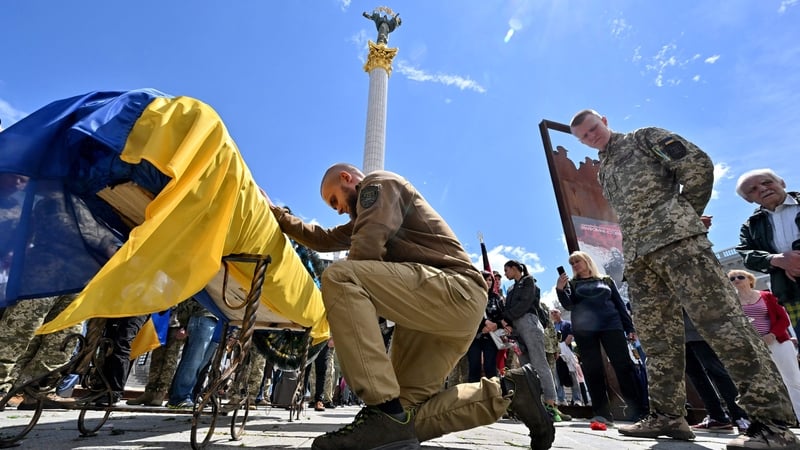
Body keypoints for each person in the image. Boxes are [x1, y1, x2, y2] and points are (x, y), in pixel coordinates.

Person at [267, 163, 554, 450]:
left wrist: (353, 311)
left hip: (453, 290)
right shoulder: (367, 214)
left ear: (347, 178)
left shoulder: (378, 185)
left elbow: (365, 251)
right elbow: (323, 238)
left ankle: (380, 407)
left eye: (334, 200)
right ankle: (511, 393)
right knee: (404, 418)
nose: (339, 209)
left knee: (340, 277)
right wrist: (278, 215)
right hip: (436, 310)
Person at [569, 109, 798, 449]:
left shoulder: (643, 138)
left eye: (593, 128)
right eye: (584, 137)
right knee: (657, 339)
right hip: (640, 258)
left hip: (679, 245)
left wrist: (682, 218)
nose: (592, 136)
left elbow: (698, 165)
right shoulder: (605, 171)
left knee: (722, 324)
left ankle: (773, 424)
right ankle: (668, 416)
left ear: (603, 119)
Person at [555, 251, 646, 425]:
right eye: (572, 263)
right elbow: (569, 305)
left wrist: (629, 328)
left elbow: (619, 305)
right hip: (584, 329)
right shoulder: (572, 284)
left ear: (587, 261)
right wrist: (560, 290)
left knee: (623, 366)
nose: (574, 265)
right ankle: (602, 412)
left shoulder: (606, 280)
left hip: (611, 325)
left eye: (577, 261)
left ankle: (638, 410)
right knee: (592, 369)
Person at [500, 260, 569, 423]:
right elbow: (507, 308)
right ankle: (534, 405)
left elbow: (525, 303)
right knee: (526, 367)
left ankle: (550, 404)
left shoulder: (529, 282)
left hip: (528, 322)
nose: (505, 273)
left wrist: (506, 317)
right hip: (515, 329)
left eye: (506, 270)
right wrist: (506, 323)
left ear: (515, 268)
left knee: (540, 363)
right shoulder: (510, 289)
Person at [729, 269, 800, 423]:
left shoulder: (766, 296)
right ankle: (783, 420)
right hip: (755, 348)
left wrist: (772, 334)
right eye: (732, 279)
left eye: (740, 277)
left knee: (793, 380)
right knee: (769, 385)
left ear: (749, 279)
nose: (736, 280)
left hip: (778, 342)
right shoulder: (732, 303)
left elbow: (783, 319)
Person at [735, 169, 800, 336]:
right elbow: (747, 254)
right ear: (749, 199)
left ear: (782, 183)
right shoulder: (751, 226)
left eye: (766, 182)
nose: (762, 189)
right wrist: (776, 260)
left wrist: (794, 260)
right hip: (792, 292)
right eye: (753, 189)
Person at [683, 310, 750, 432]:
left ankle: (741, 416)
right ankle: (716, 416)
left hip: (701, 327)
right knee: (694, 374)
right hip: (677, 332)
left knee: (716, 371)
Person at [466, 271, 504, 383]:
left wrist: (495, 325)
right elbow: (469, 314)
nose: (488, 282)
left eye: (490, 280)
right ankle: (474, 397)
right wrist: (483, 324)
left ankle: (494, 395)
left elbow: (503, 315)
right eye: (486, 279)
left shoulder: (496, 298)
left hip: (492, 337)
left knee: (490, 368)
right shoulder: (472, 295)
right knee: (474, 367)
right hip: (475, 337)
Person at [549, 309, 584, 406]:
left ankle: (577, 399)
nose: (553, 314)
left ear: (560, 313)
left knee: (572, 375)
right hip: (555, 354)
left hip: (567, 353)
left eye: (555, 312)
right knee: (557, 377)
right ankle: (561, 399)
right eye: (552, 313)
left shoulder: (567, 324)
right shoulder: (551, 327)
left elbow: (570, 336)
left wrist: (562, 346)